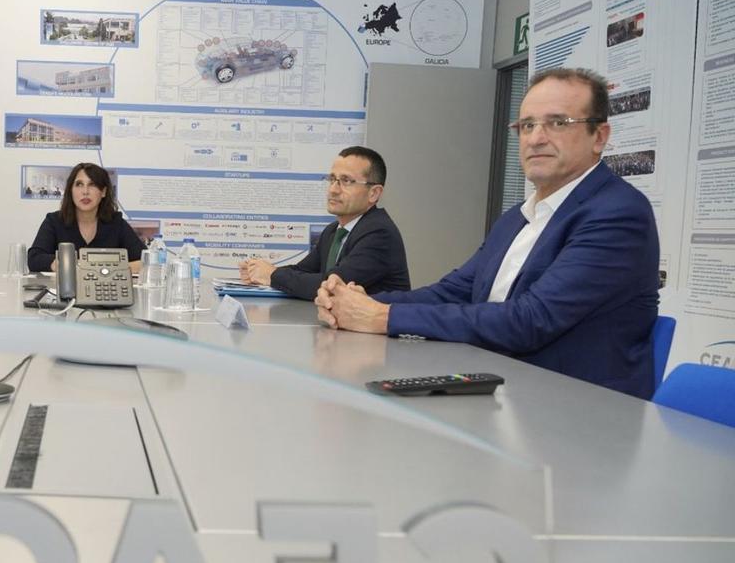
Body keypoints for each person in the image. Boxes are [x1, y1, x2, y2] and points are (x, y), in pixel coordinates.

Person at [316, 68, 660, 399]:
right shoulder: (518, 217)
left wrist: (381, 317)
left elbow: (530, 320)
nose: (537, 138)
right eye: (526, 125)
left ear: (599, 136)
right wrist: (353, 302)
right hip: (498, 386)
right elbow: (454, 290)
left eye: (558, 123)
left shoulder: (617, 213)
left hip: (577, 410)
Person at [239, 146, 410, 299]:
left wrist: (273, 275)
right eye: (332, 179)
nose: (333, 189)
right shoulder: (333, 231)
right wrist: (260, 272)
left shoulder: (379, 233)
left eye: (346, 181)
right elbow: (303, 271)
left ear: (374, 193)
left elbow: (330, 286)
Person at [27, 162, 145, 272]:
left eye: (92, 185)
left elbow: (145, 260)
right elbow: (34, 259)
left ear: (103, 192)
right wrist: (62, 264)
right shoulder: (54, 221)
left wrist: (107, 269)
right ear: (71, 190)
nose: (85, 191)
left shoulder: (116, 223)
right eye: (79, 184)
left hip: (105, 291)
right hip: (63, 291)